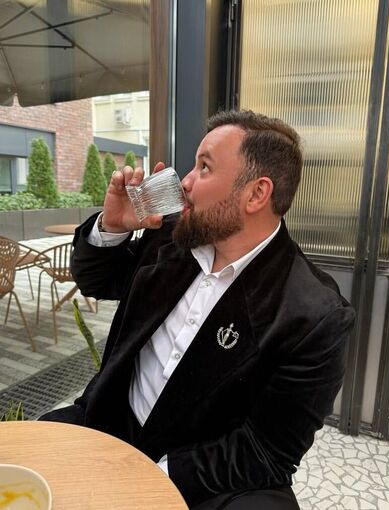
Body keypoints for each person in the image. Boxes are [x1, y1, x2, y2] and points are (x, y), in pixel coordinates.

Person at [40, 110, 355, 509]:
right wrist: (114, 226)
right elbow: (97, 281)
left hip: (202, 468)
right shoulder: (171, 238)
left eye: (204, 168)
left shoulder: (313, 314)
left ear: (256, 194)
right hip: (109, 423)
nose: (184, 182)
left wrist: (149, 478)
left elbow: (266, 451)